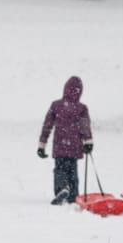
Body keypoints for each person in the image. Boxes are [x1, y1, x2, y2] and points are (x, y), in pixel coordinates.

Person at [37, 75, 93, 205]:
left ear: (65, 89)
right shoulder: (81, 108)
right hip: (74, 146)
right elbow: (85, 126)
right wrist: (88, 142)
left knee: (60, 169)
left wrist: (42, 145)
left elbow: (47, 125)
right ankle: (73, 195)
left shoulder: (56, 105)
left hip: (60, 145)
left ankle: (62, 188)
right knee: (72, 170)